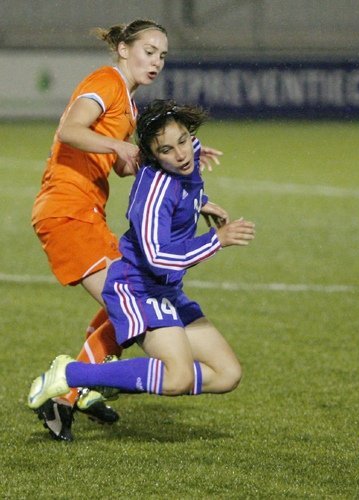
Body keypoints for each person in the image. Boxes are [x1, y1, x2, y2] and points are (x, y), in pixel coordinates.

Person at [31, 19, 222, 441]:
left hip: (85, 213)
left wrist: (180, 155)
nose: (156, 61)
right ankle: (69, 385)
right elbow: (70, 130)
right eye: (149, 51)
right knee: (133, 295)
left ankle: (73, 388)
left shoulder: (130, 106)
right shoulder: (107, 81)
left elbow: (123, 166)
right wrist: (118, 144)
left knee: (130, 293)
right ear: (123, 49)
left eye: (163, 55)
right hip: (67, 212)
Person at [28, 100, 256, 435]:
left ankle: (116, 377)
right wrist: (215, 240)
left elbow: (184, 154)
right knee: (177, 376)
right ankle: (70, 375)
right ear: (152, 156)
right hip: (137, 287)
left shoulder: (185, 153)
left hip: (166, 290)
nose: (180, 154)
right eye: (167, 150)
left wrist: (197, 202)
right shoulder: (153, 193)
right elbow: (157, 256)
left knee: (227, 374)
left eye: (183, 141)